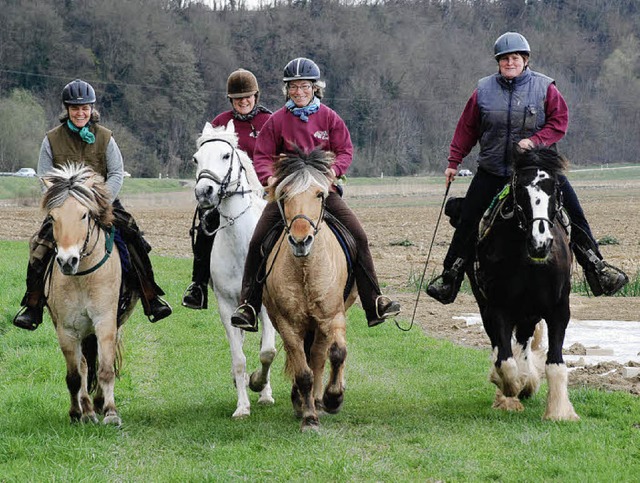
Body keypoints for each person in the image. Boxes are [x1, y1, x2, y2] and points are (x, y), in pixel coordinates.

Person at [426, 32, 628, 304]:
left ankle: (596, 266)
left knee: (574, 212)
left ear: (525, 60)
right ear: (498, 62)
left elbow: (559, 122)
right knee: (469, 219)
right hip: (495, 170)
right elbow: (467, 129)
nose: (510, 63)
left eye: (515, 58)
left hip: (538, 170)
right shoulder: (483, 91)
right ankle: (450, 274)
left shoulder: (545, 88)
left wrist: (535, 141)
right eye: (505, 59)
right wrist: (454, 161)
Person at [229, 57, 401, 332]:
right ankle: (248, 305)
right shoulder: (276, 121)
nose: (299, 92)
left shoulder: (329, 118)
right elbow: (261, 155)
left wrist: (335, 170)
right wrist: (269, 178)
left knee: (359, 237)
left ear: (315, 87)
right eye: (293, 87)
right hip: (287, 196)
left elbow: (345, 149)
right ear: (287, 90)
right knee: (257, 241)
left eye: (304, 86)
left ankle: (374, 301)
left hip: (323, 194)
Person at [13, 79, 172, 330]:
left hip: (102, 203)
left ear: (92, 108)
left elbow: (117, 173)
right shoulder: (51, 139)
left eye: (85, 108)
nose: (80, 113)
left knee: (133, 239)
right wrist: (61, 205)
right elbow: (44, 176)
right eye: (75, 108)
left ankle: (150, 297)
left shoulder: (105, 137)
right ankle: (32, 306)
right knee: (39, 246)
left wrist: (100, 200)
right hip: (65, 208)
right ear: (66, 109)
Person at [181, 69, 272, 310]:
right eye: (237, 98)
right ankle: (198, 285)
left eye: (248, 96)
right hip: (228, 198)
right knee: (205, 226)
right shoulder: (219, 124)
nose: (243, 101)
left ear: (256, 96)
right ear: (231, 100)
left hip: (266, 191)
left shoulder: (269, 122)